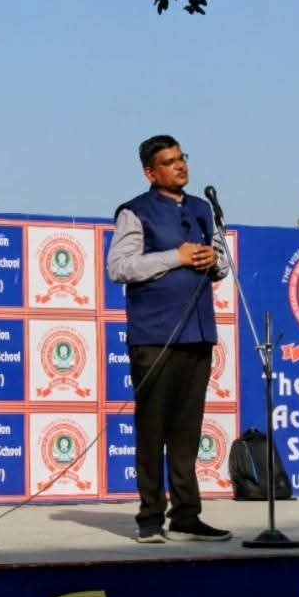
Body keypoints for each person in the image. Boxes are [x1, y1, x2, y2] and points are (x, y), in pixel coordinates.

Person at [107, 134, 232, 543]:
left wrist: (214, 261)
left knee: (186, 432)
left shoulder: (201, 208)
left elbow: (220, 267)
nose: (180, 166)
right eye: (169, 161)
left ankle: (186, 515)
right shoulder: (135, 211)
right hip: (154, 337)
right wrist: (175, 257)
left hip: (198, 333)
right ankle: (149, 517)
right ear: (150, 172)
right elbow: (119, 267)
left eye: (182, 158)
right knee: (153, 429)